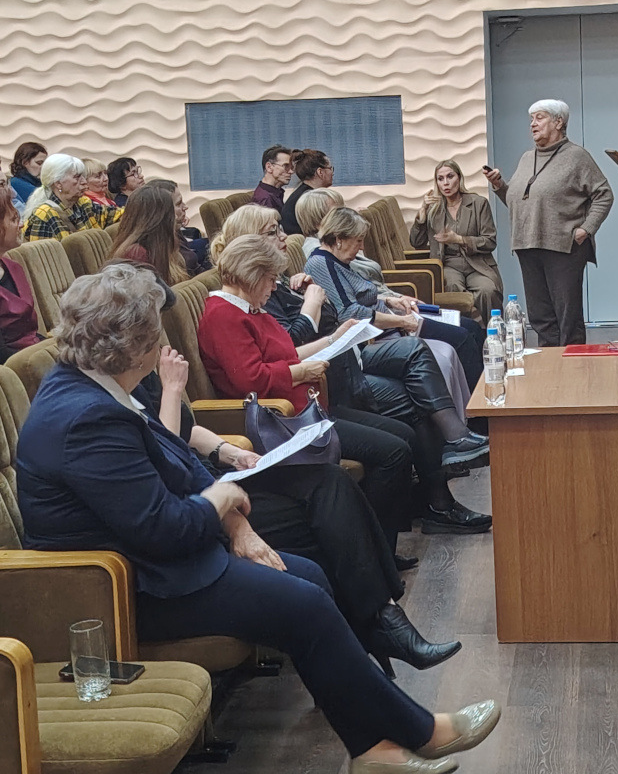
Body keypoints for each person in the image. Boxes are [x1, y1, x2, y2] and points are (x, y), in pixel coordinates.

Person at [15, 264, 501, 773]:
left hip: (155, 561)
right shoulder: (87, 418)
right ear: (132, 346)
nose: (160, 346)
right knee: (304, 601)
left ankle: (373, 748)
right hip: (126, 587)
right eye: (153, 336)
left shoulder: (96, 386)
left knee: (309, 576)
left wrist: (232, 517)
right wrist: (222, 500)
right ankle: (419, 731)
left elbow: (176, 466)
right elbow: (164, 529)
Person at [156, 343, 461, 675]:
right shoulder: (127, 399)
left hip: (214, 478)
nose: (162, 348)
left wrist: (230, 451)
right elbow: (167, 466)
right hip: (196, 505)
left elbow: (186, 429)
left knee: (330, 481)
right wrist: (171, 392)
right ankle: (375, 633)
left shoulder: (143, 380)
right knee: (327, 524)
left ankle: (384, 619)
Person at [209, 208, 493, 535]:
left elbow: (288, 347)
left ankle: (434, 499)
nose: (284, 236)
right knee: (409, 401)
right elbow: (278, 354)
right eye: (273, 232)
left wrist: (329, 328)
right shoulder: (240, 306)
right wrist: (311, 309)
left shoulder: (269, 292)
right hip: (307, 401)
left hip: (333, 373)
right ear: (252, 256)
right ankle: (407, 516)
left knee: (419, 394)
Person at [198, 235, 415, 554]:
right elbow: (251, 380)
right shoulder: (224, 315)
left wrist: (334, 339)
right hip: (286, 421)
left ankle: (378, 546)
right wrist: (301, 373)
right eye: (270, 279)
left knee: (403, 435)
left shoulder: (250, 309)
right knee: (394, 452)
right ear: (252, 275)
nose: (273, 288)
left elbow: (286, 354)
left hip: (306, 410)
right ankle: (377, 549)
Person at [305, 207, 486, 394]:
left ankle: (488, 394)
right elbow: (350, 312)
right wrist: (401, 321)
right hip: (383, 332)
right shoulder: (321, 263)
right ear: (338, 239)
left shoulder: (336, 259)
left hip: (393, 317)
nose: (362, 247)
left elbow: (358, 295)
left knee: (472, 327)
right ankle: (479, 406)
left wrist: (390, 300)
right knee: (463, 338)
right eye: (358, 241)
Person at [485, 98, 614, 346]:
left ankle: (573, 364)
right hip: (527, 244)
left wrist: (586, 229)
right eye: (531, 119)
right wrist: (500, 186)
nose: (533, 124)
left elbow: (604, 194)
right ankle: (550, 363)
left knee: (567, 317)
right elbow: (521, 201)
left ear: (558, 122)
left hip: (563, 246)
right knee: (540, 316)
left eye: (539, 118)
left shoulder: (577, 156)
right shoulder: (527, 158)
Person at [410, 160, 503, 326]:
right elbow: (416, 242)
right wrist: (422, 215)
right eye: (440, 179)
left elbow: (490, 241)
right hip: (448, 265)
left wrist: (459, 239)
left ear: (459, 178)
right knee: (452, 288)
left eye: (450, 177)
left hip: (477, 263)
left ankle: (493, 333)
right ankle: (465, 334)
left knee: (487, 291)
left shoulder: (478, 203)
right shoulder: (434, 209)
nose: (445, 183)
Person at [22, 154, 122, 241]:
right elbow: (43, 255)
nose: (84, 182)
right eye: (77, 177)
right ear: (58, 184)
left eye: (83, 176)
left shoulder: (83, 203)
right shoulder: (44, 216)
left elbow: (118, 215)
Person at [109, 185, 189, 285]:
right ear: (157, 219)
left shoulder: (162, 246)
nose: (175, 217)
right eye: (170, 213)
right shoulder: (136, 254)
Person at [0, 186, 39, 362]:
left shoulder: (13, 266)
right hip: (15, 368)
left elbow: (31, 333)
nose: (21, 224)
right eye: (14, 219)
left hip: (33, 355)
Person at [146, 177, 211, 274]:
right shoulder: (147, 253)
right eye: (179, 203)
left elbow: (198, 271)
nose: (185, 207)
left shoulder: (174, 233)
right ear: (163, 210)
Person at [282, 148, 335, 235]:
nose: (332, 173)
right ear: (320, 172)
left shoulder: (302, 192)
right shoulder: (312, 199)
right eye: (330, 168)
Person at [253, 144, 294, 213]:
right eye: (286, 166)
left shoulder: (274, 193)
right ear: (269, 167)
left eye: (291, 167)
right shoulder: (265, 200)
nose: (291, 171)